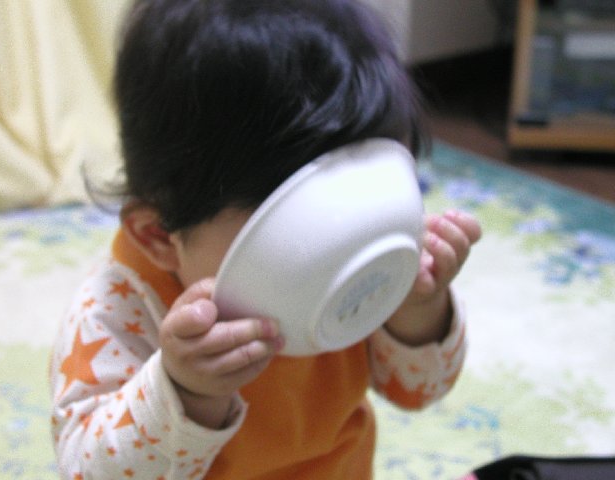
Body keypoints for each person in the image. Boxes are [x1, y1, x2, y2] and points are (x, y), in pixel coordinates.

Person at [49, 0, 482, 478]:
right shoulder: (115, 311)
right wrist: (186, 390)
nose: (339, 232)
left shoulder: (352, 252)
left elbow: (418, 390)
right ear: (158, 235)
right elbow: (89, 471)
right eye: (292, 222)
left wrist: (417, 309)